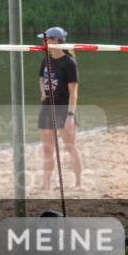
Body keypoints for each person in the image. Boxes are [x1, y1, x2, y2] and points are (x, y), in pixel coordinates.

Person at [37, 26, 83, 190]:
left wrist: (70, 115)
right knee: (47, 149)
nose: (44, 42)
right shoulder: (46, 60)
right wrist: (43, 93)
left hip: (64, 107)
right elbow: (42, 79)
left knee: (70, 147)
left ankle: (78, 183)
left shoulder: (69, 63)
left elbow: (74, 91)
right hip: (47, 107)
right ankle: (46, 184)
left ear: (56, 40)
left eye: (47, 39)